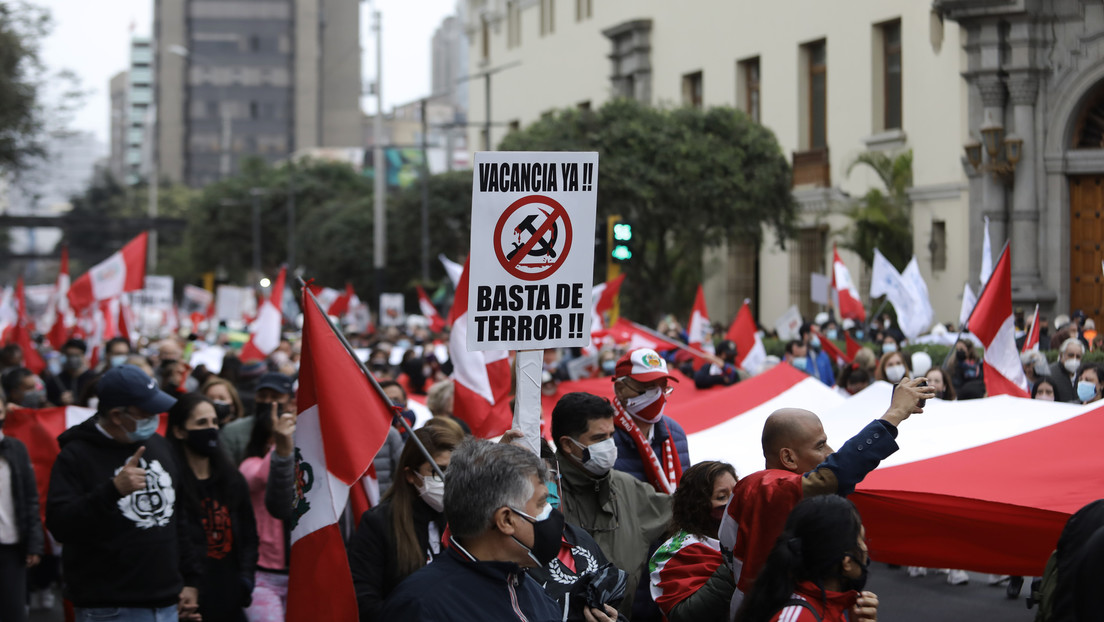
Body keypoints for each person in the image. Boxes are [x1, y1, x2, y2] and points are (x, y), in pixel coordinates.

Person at [720, 377, 933, 608]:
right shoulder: (768, 486)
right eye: (820, 446)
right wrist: (895, 413)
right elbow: (834, 476)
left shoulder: (748, 490)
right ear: (788, 457)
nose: (829, 454)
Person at [378, 439, 617, 622]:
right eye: (542, 503)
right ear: (506, 520)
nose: (553, 514)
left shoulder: (528, 590)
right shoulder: (421, 606)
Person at [46, 364, 202, 622]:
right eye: (147, 411)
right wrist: (112, 491)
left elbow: (179, 518)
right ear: (118, 415)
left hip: (167, 603)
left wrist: (190, 580)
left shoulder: (159, 445)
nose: (155, 416)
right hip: (109, 608)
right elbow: (61, 525)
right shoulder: (75, 456)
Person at [552, 391, 672, 617]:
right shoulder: (542, 495)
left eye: (610, 436)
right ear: (568, 445)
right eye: (599, 438)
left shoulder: (628, 487)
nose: (609, 445)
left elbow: (687, 516)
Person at [348, 425, 463, 621]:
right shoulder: (379, 522)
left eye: (454, 470)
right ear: (410, 475)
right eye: (438, 470)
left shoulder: (461, 519)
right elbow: (364, 597)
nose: (447, 479)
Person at [167, 394, 259, 622]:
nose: (211, 429)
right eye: (201, 423)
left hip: (230, 597)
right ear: (179, 431)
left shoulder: (232, 480)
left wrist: (245, 581)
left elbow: (249, 535)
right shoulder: (170, 484)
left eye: (214, 422)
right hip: (190, 603)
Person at [733, 495, 878, 622]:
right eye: (861, 540)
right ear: (846, 561)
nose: (865, 549)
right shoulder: (798, 618)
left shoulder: (829, 608)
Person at [650, 461, 738, 622]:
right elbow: (685, 615)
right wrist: (735, 563)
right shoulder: (674, 553)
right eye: (722, 497)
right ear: (698, 505)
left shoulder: (746, 536)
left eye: (736, 494)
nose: (733, 502)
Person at [609, 348, 690, 493]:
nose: (658, 395)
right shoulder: (602, 436)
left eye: (663, 386)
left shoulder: (675, 433)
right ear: (620, 389)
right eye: (648, 387)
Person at [0, 388, 44, 622]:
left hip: (10, 548)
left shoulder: (16, 449)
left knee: (12, 612)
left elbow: (29, 497)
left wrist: (34, 543)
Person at [221, 372, 294, 465]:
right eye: (262, 396)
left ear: (291, 403)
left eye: (275, 397)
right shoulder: (232, 431)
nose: (267, 401)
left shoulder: (298, 435)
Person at [45, 338, 88, 406]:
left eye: (76, 355)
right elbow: (48, 405)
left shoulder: (92, 379)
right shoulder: (54, 381)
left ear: (83, 356)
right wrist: (59, 401)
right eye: (69, 355)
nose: (73, 359)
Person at [1047, 338, 1085, 403]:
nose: (1074, 359)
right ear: (1061, 355)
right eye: (1071, 355)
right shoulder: (1050, 373)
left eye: (1078, 356)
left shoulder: (1083, 374)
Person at [799, 323, 835, 387]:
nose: (816, 337)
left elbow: (831, 380)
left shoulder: (823, 355)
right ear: (805, 335)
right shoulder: (798, 357)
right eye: (813, 334)